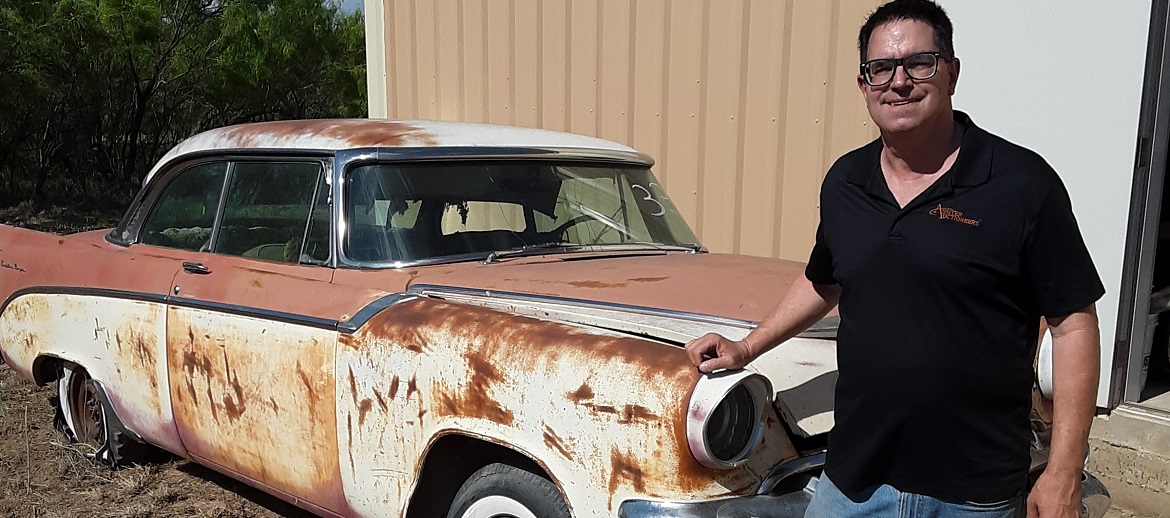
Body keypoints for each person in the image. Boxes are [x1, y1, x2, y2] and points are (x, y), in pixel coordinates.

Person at [685, 1, 1104, 517]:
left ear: (951, 72)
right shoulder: (846, 183)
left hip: (974, 494)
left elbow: (1073, 324)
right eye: (881, 68)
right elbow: (824, 282)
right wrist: (745, 348)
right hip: (853, 485)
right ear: (864, 86)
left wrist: (1064, 469)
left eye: (919, 63)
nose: (899, 81)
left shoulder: (1021, 183)